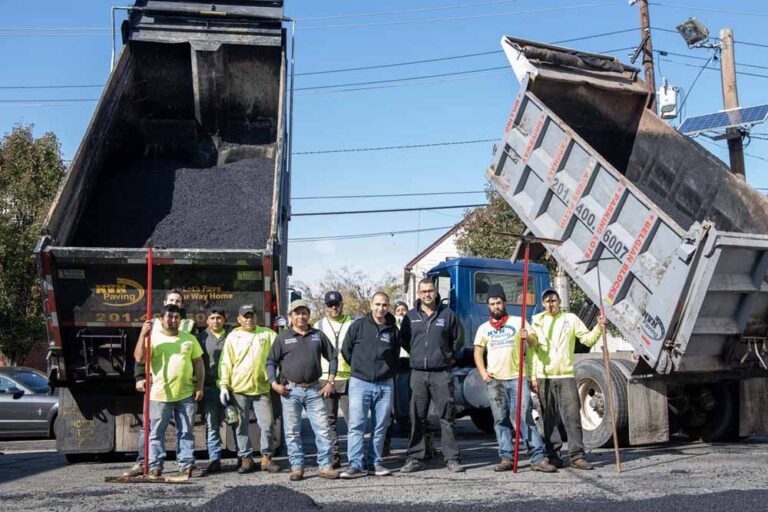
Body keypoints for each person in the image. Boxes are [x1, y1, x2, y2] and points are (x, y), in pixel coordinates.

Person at [473, 284, 556, 473]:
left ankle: (537, 457)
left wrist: (528, 338)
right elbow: (478, 352)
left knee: (524, 416)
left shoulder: (519, 322)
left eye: (499, 302)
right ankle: (506, 458)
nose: (496, 306)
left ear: (505, 303)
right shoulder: (484, 328)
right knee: (500, 419)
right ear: (488, 306)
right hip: (495, 381)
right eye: (492, 303)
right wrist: (484, 373)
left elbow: (535, 344)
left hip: (517, 378)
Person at [527, 288, 604, 470]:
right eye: (547, 301)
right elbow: (533, 349)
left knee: (572, 417)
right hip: (544, 376)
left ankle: (577, 456)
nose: (551, 304)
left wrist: (600, 327)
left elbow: (588, 340)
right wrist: (533, 376)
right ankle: (553, 455)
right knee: (548, 419)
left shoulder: (571, 319)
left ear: (559, 301)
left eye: (554, 300)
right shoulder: (536, 321)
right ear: (543, 303)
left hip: (566, 375)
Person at [125, 289, 196, 477]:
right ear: (164, 302)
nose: (175, 303)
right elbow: (142, 356)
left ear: (182, 305)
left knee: (185, 429)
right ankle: (145, 462)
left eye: (179, 301)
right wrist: (140, 376)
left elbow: (195, 356)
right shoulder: (153, 325)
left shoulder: (188, 325)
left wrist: (197, 383)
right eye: (171, 300)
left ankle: (186, 464)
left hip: (183, 388)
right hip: (157, 386)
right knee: (151, 428)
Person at [266, 299, 340, 481]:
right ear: (291, 316)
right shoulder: (283, 337)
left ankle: (325, 466)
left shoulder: (317, 335)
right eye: (297, 313)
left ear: (309, 315)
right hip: (290, 391)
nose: (301, 316)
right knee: (292, 432)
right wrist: (274, 383)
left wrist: (330, 381)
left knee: (323, 429)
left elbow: (333, 357)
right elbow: (270, 361)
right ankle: (297, 467)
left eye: (304, 313)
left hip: (315, 389)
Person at [400, 279, 464, 474]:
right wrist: (419, 356)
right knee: (417, 416)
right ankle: (415, 458)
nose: (427, 294)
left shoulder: (448, 315)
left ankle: (451, 458)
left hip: (441, 373)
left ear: (436, 292)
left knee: (447, 416)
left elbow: (458, 340)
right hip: (418, 373)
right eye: (423, 291)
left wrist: (446, 357)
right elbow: (404, 340)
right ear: (418, 294)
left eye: (430, 291)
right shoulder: (410, 317)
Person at [339, 292, 401, 479]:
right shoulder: (358, 325)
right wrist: (360, 369)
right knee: (356, 425)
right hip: (360, 383)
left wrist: (386, 372)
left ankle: (375, 463)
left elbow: (395, 355)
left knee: (380, 426)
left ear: (388, 306)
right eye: (377, 304)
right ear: (371, 305)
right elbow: (346, 350)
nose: (380, 308)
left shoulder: (393, 330)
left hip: (385, 385)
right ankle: (356, 465)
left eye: (384, 305)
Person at [219, 304, 279, 474]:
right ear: (239, 319)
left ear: (256, 317)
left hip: (261, 389)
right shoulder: (233, 337)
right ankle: (246, 458)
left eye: (251, 316)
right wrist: (224, 385)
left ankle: (267, 458)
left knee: (267, 425)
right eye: (245, 316)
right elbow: (226, 362)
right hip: (239, 389)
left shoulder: (267, 334)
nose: (249, 319)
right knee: (240, 426)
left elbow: (281, 350)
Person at [314, 291, 354, 469]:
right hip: (325, 378)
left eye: (336, 304)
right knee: (328, 421)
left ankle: (355, 457)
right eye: (330, 305)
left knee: (352, 420)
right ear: (326, 307)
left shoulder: (353, 323)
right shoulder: (319, 325)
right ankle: (333, 457)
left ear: (342, 304)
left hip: (348, 377)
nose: (334, 307)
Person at [197, 306, 230, 473]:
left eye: (219, 318)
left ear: (224, 319)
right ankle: (214, 458)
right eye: (212, 318)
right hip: (210, 387)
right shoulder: (200, 338)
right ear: (207, 320)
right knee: (212, 424)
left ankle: (242, 458)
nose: (216, 321)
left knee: (235, 422)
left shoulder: (232, 336)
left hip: (230, 387)